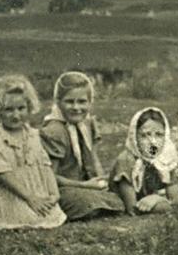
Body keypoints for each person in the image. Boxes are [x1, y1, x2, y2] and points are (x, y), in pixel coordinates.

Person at [0, 74, 66, 230]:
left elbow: (45, 166)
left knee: (48, 214)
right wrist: (30, 198)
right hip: (8, 194)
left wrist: (54, 193)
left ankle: (35, 207)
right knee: (27, 219)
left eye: (21, 108)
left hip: (33, 193)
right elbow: (2, 174)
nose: (16, 115)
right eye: (9, 110)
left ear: (29, 107)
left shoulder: (33, 135)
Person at [40, 71, 124, 220]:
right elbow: (49, 178)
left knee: (122, 180)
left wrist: (100, 181)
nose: (76, 107)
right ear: (58, 102)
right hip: (63, 188)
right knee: (84, 202)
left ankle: (104, 201)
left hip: (87, 183)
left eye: (82, 101)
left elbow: (94, 157)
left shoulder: (87, 122)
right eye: (69, 101)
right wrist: (87, 186)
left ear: (90, 102)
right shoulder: (54, 131)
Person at [110, 107, 178, 216]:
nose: (153, 142)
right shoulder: (126, 160)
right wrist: (162, 201)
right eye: (145, 135)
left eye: (159, 135)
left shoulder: (165, 157)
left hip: (153, 198)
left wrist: (156, 198)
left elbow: (175, 199)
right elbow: (132, 208)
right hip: (126, 202)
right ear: (134, 136)